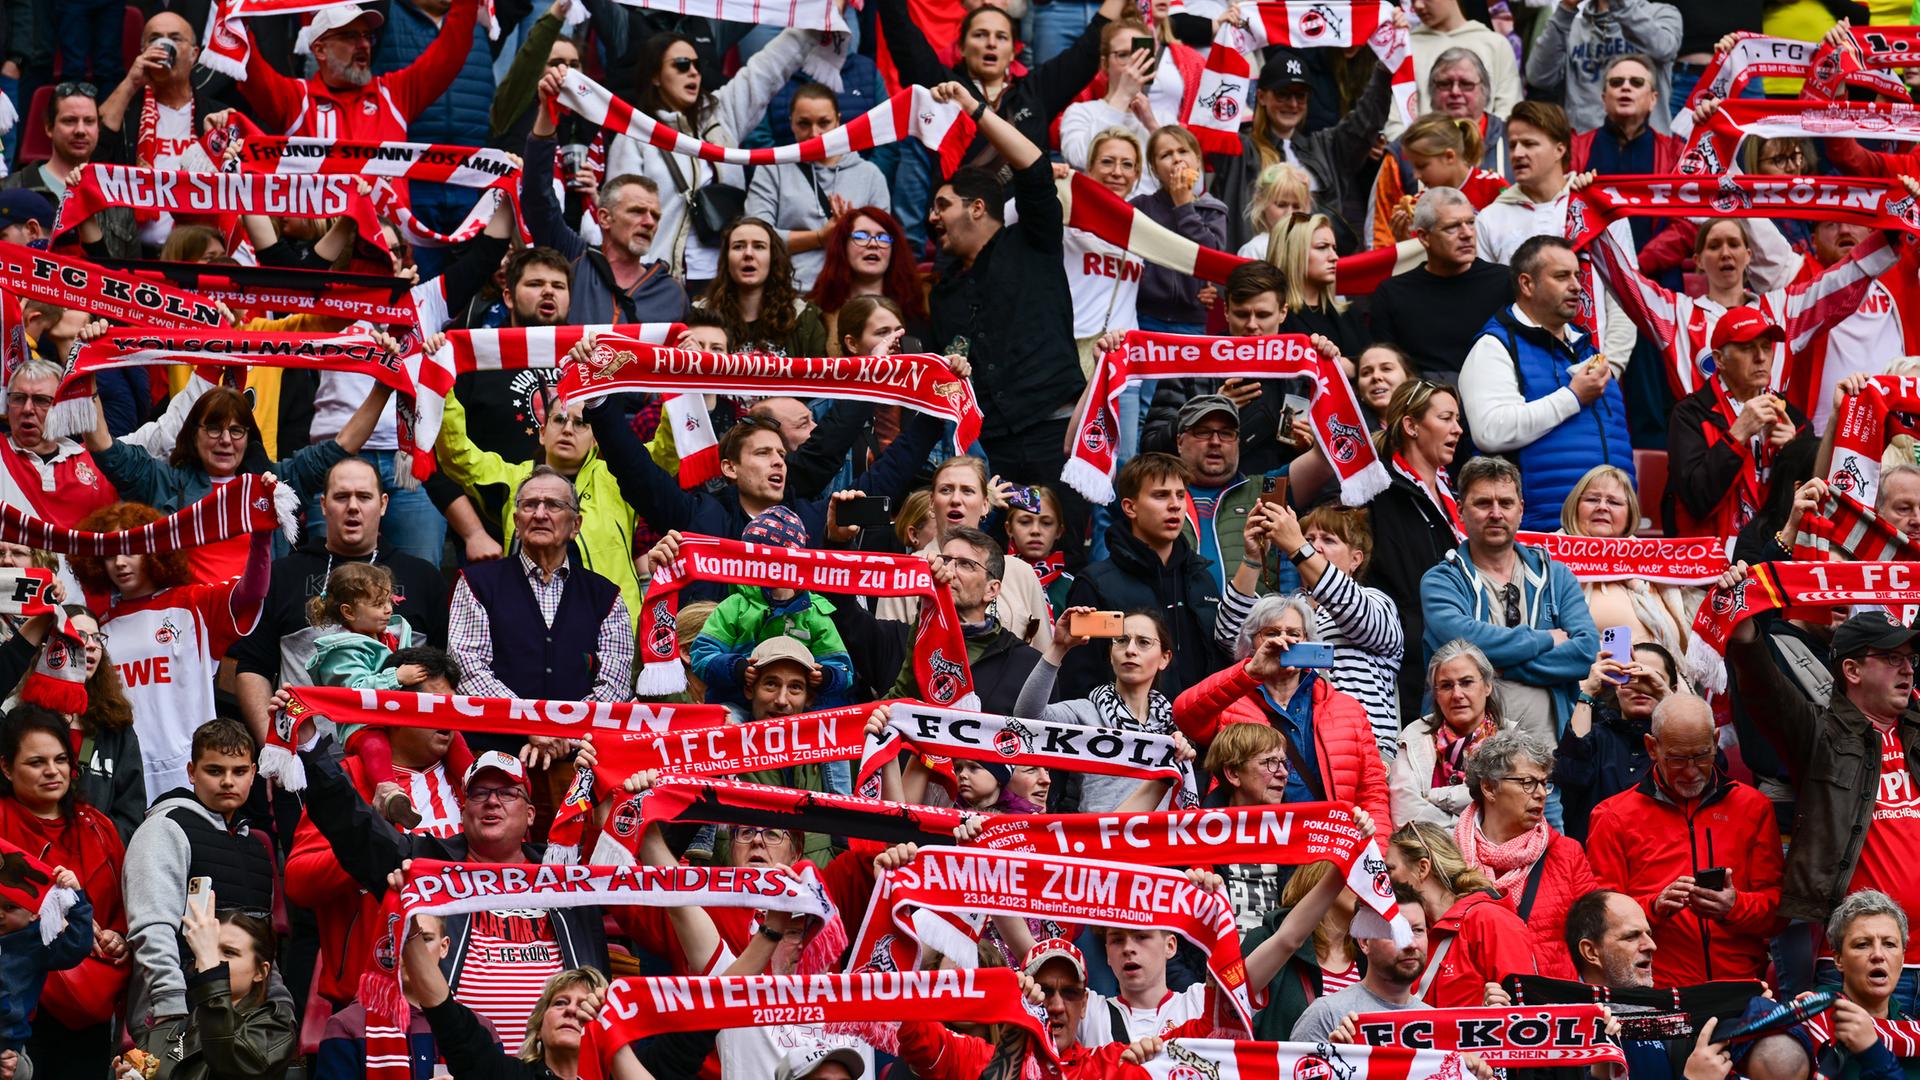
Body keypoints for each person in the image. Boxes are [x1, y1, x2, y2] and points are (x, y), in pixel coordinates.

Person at [1725, 603, 1920, 972]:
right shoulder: (1819, 735)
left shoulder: (1916, 732)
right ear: (1852, 670)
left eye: (1911, 659)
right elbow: (1765, 690)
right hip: (1859, 964)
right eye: (1893, 658)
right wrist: (1743, 626)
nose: (1908, 669)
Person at [924, 79, 1086, 520]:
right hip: (992, 449)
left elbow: (1034, 168)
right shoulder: (943, 293)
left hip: (1055, 433)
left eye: (942, 205)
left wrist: (973, 108)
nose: (932, 217)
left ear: (977, 207)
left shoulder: (1032, 240)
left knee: (1061, 542)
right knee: (992, 549)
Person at [230, 456, 446, 751]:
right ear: (323, 505)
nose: (353, 506)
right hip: (308, 756)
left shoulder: (423, 577)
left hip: (403, 759)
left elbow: (444, 675)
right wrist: (274, 750)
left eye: (364, 497)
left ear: (383, 504)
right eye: (342, 497)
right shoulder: (283, 575)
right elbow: (253, 669)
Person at [433, 343, 648, 629]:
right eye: (559, 420)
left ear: (596, 439)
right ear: (543, 432)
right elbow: (457, 455)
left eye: (580, 423)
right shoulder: (514, 480)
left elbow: (669, 451)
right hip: (527, 629)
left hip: (610, 628)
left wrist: (685, 376)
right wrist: (441, 377)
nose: (568, 429)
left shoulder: (620, 477)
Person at [86, 381, 394, 580]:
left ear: (248, 438)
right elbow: (104, 448)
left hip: (257, 626)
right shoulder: (163, 481)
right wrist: (87, 377)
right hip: (186, 626)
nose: (225, 440)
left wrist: (383, 386)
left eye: (236, 431)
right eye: (214, 429)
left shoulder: (275, 483)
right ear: (194, 434)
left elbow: (342, 445)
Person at [67, 503, 271, 802]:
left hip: (190, 771)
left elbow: (252, 592)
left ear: (153, 551)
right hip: (125, 776)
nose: (120, 563)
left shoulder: (194, 604)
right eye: (110, 555)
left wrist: (262, 538)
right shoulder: (99, 629)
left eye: (131, 551)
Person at [1586, 694, 1784, 985]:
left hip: (1739, 986)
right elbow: (1599, 920)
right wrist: (1654, 907)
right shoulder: (1613, 816)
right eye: (1677, 759)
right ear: (1651, 748)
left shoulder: (1754, 807)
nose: (1691, 771)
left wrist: (1735, 906)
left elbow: (1778, 912)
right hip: (1657, 990)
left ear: (1716, 742)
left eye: (1702, 756)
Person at [1419, 455, 1599, 772]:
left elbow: (1584, 653)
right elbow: (1461, 643)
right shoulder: (1441, 581)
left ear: (1521, 509)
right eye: (1483, 503)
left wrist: (1495, 666)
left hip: (1550, 763)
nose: (1496, 513)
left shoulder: (1557, 577)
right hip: (1464, 769)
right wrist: (1544, 639)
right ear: (1460, 510)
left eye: (1505, 502)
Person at [603, 27, 816, 283]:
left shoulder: (721, 116)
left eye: (697, 65)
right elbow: (620, 217)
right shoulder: (634, 137)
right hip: (663, 282)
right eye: (682, 65)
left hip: (726, 283)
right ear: (655, 76)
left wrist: (816, 25)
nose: (693, 72)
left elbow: (767, 68)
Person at [447, 467, 634, 756]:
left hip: (580, 758)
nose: (540, 514)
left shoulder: (606, 596)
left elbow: (615, 686)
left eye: (554, 505)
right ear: (516, 522)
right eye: (530, 505)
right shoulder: (476, 583)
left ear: (575, 525)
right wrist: (529, 725)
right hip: (492, 756)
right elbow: (468, 670)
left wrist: (565, 734)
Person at [123, 719, 275, 1058]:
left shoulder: (256, 846)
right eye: (214, 770)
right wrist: (170, 1007)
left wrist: (278, 1003)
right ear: (192, 772)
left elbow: (263, 944)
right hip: (177, 1015)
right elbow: (152, 927)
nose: (227, 781)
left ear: (254, 773)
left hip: (247, 1022)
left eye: (239, 771)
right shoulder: (165, 828)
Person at [1173, 593, 1393, 827]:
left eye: (1294, 634)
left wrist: (1377, 849)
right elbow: (1185, 715)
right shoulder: (1230, 702)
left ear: (1308, 641)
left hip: (1328, 842)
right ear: (1251, 644)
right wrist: (1250, 672)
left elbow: (1373, 794)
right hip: (1253, 837)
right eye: (1271, 633)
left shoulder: (1347, 709)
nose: (1284, 641)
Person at [1460, 235, 1633, 529]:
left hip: (1609, 537)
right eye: (1562, 276)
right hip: (1542, 534)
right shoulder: (1493, 347)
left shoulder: (1588, 349)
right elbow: (1491, 431)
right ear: (1527, 284)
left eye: (1577, 275)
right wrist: (1572, 397)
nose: (1576, 286)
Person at [0, 707, 127, 1080]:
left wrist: (118, 937)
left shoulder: (98, 826)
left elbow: (121, 908)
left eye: (60, 760)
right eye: (36, 762)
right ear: (6, 768)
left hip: (91, 998)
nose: (52, 771)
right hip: (18, 1005)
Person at [400, 926, 706, 1080]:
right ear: (538, 1026)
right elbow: (447, 1016)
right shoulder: (509, 1076)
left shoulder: (637, 1069)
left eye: (586, 1007)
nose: (572, 1010)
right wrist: (411, 929)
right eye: (560, 1003)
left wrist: (615, 1042)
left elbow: (708, 1011)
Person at [1221, 502, 1404, 757]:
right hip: (1297, 754)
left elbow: (1353, 609)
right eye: (1309, 539)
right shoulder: (1288, 611)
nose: (1315, 547)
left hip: (1364, 751)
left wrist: (1297, 545)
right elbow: (1231, 635)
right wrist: (1253, 557)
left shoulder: (1376, 601)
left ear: (1355, 559)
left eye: (1328, 540)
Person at [1210, 41, 1405, 254]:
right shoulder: (1239, 149)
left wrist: (1385, 68)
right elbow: (1211, 116)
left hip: (1317, 264)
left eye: (1300, 95)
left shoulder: (1325, 147)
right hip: (1256, 265)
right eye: (1283, 94)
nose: (1293, 104)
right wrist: (1230, 39)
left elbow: (1367, 119)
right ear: (1262, 96)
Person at [525, 74, 688, 326]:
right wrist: (547, 113)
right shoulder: (573, 260)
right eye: (637, 211)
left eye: (655, 216)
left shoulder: (671, 293)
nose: (649, 222)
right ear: (604, 217)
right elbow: (538, 199)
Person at [1062, 453, 1221, 697]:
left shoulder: (1201, 578)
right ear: (1130, 507)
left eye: (1180, 495)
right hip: (1123, 721)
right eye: (1161, 495)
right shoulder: (1096, 584)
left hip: (1201, 718)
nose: (1175, 505)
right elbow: (1079, 681)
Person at [893, 938, 1152, 1079]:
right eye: (1044, 991)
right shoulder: (979, 1058)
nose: (1057, 1006)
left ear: (1084, 1004)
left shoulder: (1114, 1065)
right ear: (1023, 994)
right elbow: (914, 1029)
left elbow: (1178, 1049)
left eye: (1069, 993)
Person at [1452, 729, 1596, 978]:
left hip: (1549, 997)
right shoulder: (1450, 856)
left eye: (1544, 783)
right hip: (1477, 997)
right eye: (1527, 783)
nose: (1540, 794)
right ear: (1489, 788)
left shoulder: (1567, 854)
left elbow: (1595, 936)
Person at [1558, 466, 1715, 689]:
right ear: (1575, 507)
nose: (1602, 507)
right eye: (1592, 499)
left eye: (1614, 502)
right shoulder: (1550, 559)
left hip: (1667, 688)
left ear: (1630, 514)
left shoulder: (1654, 559)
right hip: (1595, 689)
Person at [873, 456, 1053, 648]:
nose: (956, 499)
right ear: (932, 503)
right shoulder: (904, 574)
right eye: (946, 490)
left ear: (985, 505)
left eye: (968, 491)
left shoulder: (1021, 573)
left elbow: (1043, 656)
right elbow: (887, 655)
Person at [1365, 379, 1467, 719]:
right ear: (1411, 426)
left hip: (1453, 650)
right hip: (1406, 660)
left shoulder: (1453, 494)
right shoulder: (1378, 492)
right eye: (1446, 418)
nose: (1458, 429)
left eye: (1457, 419)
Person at [237, 2, 479, 143]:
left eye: (366, 35)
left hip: (390, 220)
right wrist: (233, 12)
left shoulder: (395, 93)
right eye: (350, 36)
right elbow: (247, 66)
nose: (364, 44)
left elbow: (451, 50)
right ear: (319, 50)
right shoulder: (294, 99)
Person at [1667, 307, 1814, 538]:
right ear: (1719, 359)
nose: (1761, 357)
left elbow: (1811, 503)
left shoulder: (1793, 420)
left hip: (1771, 551)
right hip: (1709, 554)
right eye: (1747, 348)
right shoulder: (1690, 415)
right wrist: (1737, 435)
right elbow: (1697, 500)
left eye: (1766, 346)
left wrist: (1793, 451)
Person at [1015, 609, 1176, 813]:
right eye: (1122, 640)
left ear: (1164, 658)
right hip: (1098, 832)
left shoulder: (1174, 723)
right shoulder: (1086, 713)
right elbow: (1025, 721)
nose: (1130, 650)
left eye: (1143, 642)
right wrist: (1059, 647)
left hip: (1160, 833)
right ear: (1110, 654)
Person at [745, 83, 890, 292]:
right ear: (791, 123)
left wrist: (848, 234)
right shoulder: (771, 170)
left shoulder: (870, 175)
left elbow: (882, 243)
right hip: (788, 295)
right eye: (804, 124)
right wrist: (820, 237)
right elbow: (755, 237)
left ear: (838, 121)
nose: (814, 134)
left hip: (851, 297)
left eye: (824, 123)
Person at [96, 13, 224, 251]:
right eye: (155, 39)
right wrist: (131, 83)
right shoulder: (125, 111)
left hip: (197, 253)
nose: (164, 46)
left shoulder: (215, 116)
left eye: (175, 38)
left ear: (194, 54)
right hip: (133, 252)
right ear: (143, 51)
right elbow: (93, 152)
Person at [1384, 821, 1537, 1008]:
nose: (1384, 880)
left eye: (1390, 869)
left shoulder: (1491, 920)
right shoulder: (1417, 931)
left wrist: (1493, 1012)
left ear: (1422, 868)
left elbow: (1524, 1012)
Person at [1367, 188, 1514, 380]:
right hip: (1421, 395)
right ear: (1424, 237)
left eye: (1471, 223)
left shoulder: (1506, 281)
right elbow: (1385, 364)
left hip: (1497, 390)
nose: (1467, 233)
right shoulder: (1392, 293)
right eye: (1452, 227)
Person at [1558, 640, 1681, 839]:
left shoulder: (1678, 742)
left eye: (1652, 678)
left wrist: (1667, 697)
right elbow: (1569, 776)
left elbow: (1708, 768)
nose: (1641, 687)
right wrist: (1589, 692)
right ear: (1615, 686)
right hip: (1597, 852)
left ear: (1672, 689)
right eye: (1629, 677)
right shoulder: (1598, 736)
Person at [1391, 639, 1515, 828]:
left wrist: (1435, 798)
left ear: (1487, 686)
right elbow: (1406, 817)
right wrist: (1467, 830)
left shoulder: (1514, 743)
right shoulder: (1415, 737)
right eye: (1446, 685)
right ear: (1435, 694)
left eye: (1466, 683)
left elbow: (1510, 811)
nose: (1457, 694)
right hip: (1429, 847)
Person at [1289, 885, 1432, 1043]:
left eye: (1418, 930)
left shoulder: (1436, 1023)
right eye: (1395, 932)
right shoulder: (1326, 1016)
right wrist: (1335, 1055)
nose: (1411, 944)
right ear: (1365, 941)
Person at [171, 901, 296, 1080]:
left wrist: (211, 974)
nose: (213, 959)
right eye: (209, 949)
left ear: (260, 972)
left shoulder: (275, 1029)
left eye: (229, 952)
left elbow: (228, 1062)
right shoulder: (187, 1021)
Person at [1525, 0, 1683, 136]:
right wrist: (1565, 9)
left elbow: (1664, 49)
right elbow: (1539, 77)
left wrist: (1620, 5)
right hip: (1585, 150)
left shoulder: (1661, 14)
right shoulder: (1571, 24)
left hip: (1648, 149)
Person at [1131, 125, 1226, 336]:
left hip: (1191, 322)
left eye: (1183, 151)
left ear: (1198, 160)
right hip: (1144, 317)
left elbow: (1212, 258)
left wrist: (1184, 207)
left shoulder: (1213, 210)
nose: (1176, 159)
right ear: (1154, 169)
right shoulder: (1141, 207)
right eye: (1166, 155)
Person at [0, 360, 118, 529]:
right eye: (18, 398)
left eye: (41, 400)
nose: (27, 409)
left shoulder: (100, 460)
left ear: (63, 407)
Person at [1817, 890, 1919, 1079]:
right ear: (1838, 959)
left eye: (1889, 944)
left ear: (1903, 959)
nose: (1878, 955)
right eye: (1863, 944)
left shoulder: (1913, 1033)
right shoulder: (1812, 1024)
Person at [697, 217, 828, 357]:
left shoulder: (803, 317)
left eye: (759, 246)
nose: (748, 254)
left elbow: (820, 369)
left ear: (773, 258)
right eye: (738, 246)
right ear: (726, 259)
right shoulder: (701, 315)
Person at [805, 206, 929, 353]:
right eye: (861, 236)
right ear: (842, 245)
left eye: (883, 238)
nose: (873, 244)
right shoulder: (817, 313)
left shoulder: (918, 303)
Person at [1380, 114, 1510, 249]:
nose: (1416, 175)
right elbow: (1424, 255)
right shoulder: (1421, 203)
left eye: (1421, 166)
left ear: (1449, 156)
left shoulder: (1493, 186)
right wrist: (1405, 241)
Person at [1405, 0, 1521, 129]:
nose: (1418, 5)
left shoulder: (1495, 44)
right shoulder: (1404, 48)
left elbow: (1508, 109)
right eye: (1412, 0)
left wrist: (1487, 138)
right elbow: (1395, 117)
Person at [1272, 214, 1366, 359]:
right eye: (1322, 247)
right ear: (1293, 253)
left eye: (1334, 248)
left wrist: (1350, 366)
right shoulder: (1271, 316)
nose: (1334, 257)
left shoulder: (1349, 313)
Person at [1568, 54, 1682, 173]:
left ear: (1653, 99)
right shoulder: (1573, 150)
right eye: (1616, 82)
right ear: (1604, 99)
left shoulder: (1675, 155)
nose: (1625, 87)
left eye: (1637, 82)